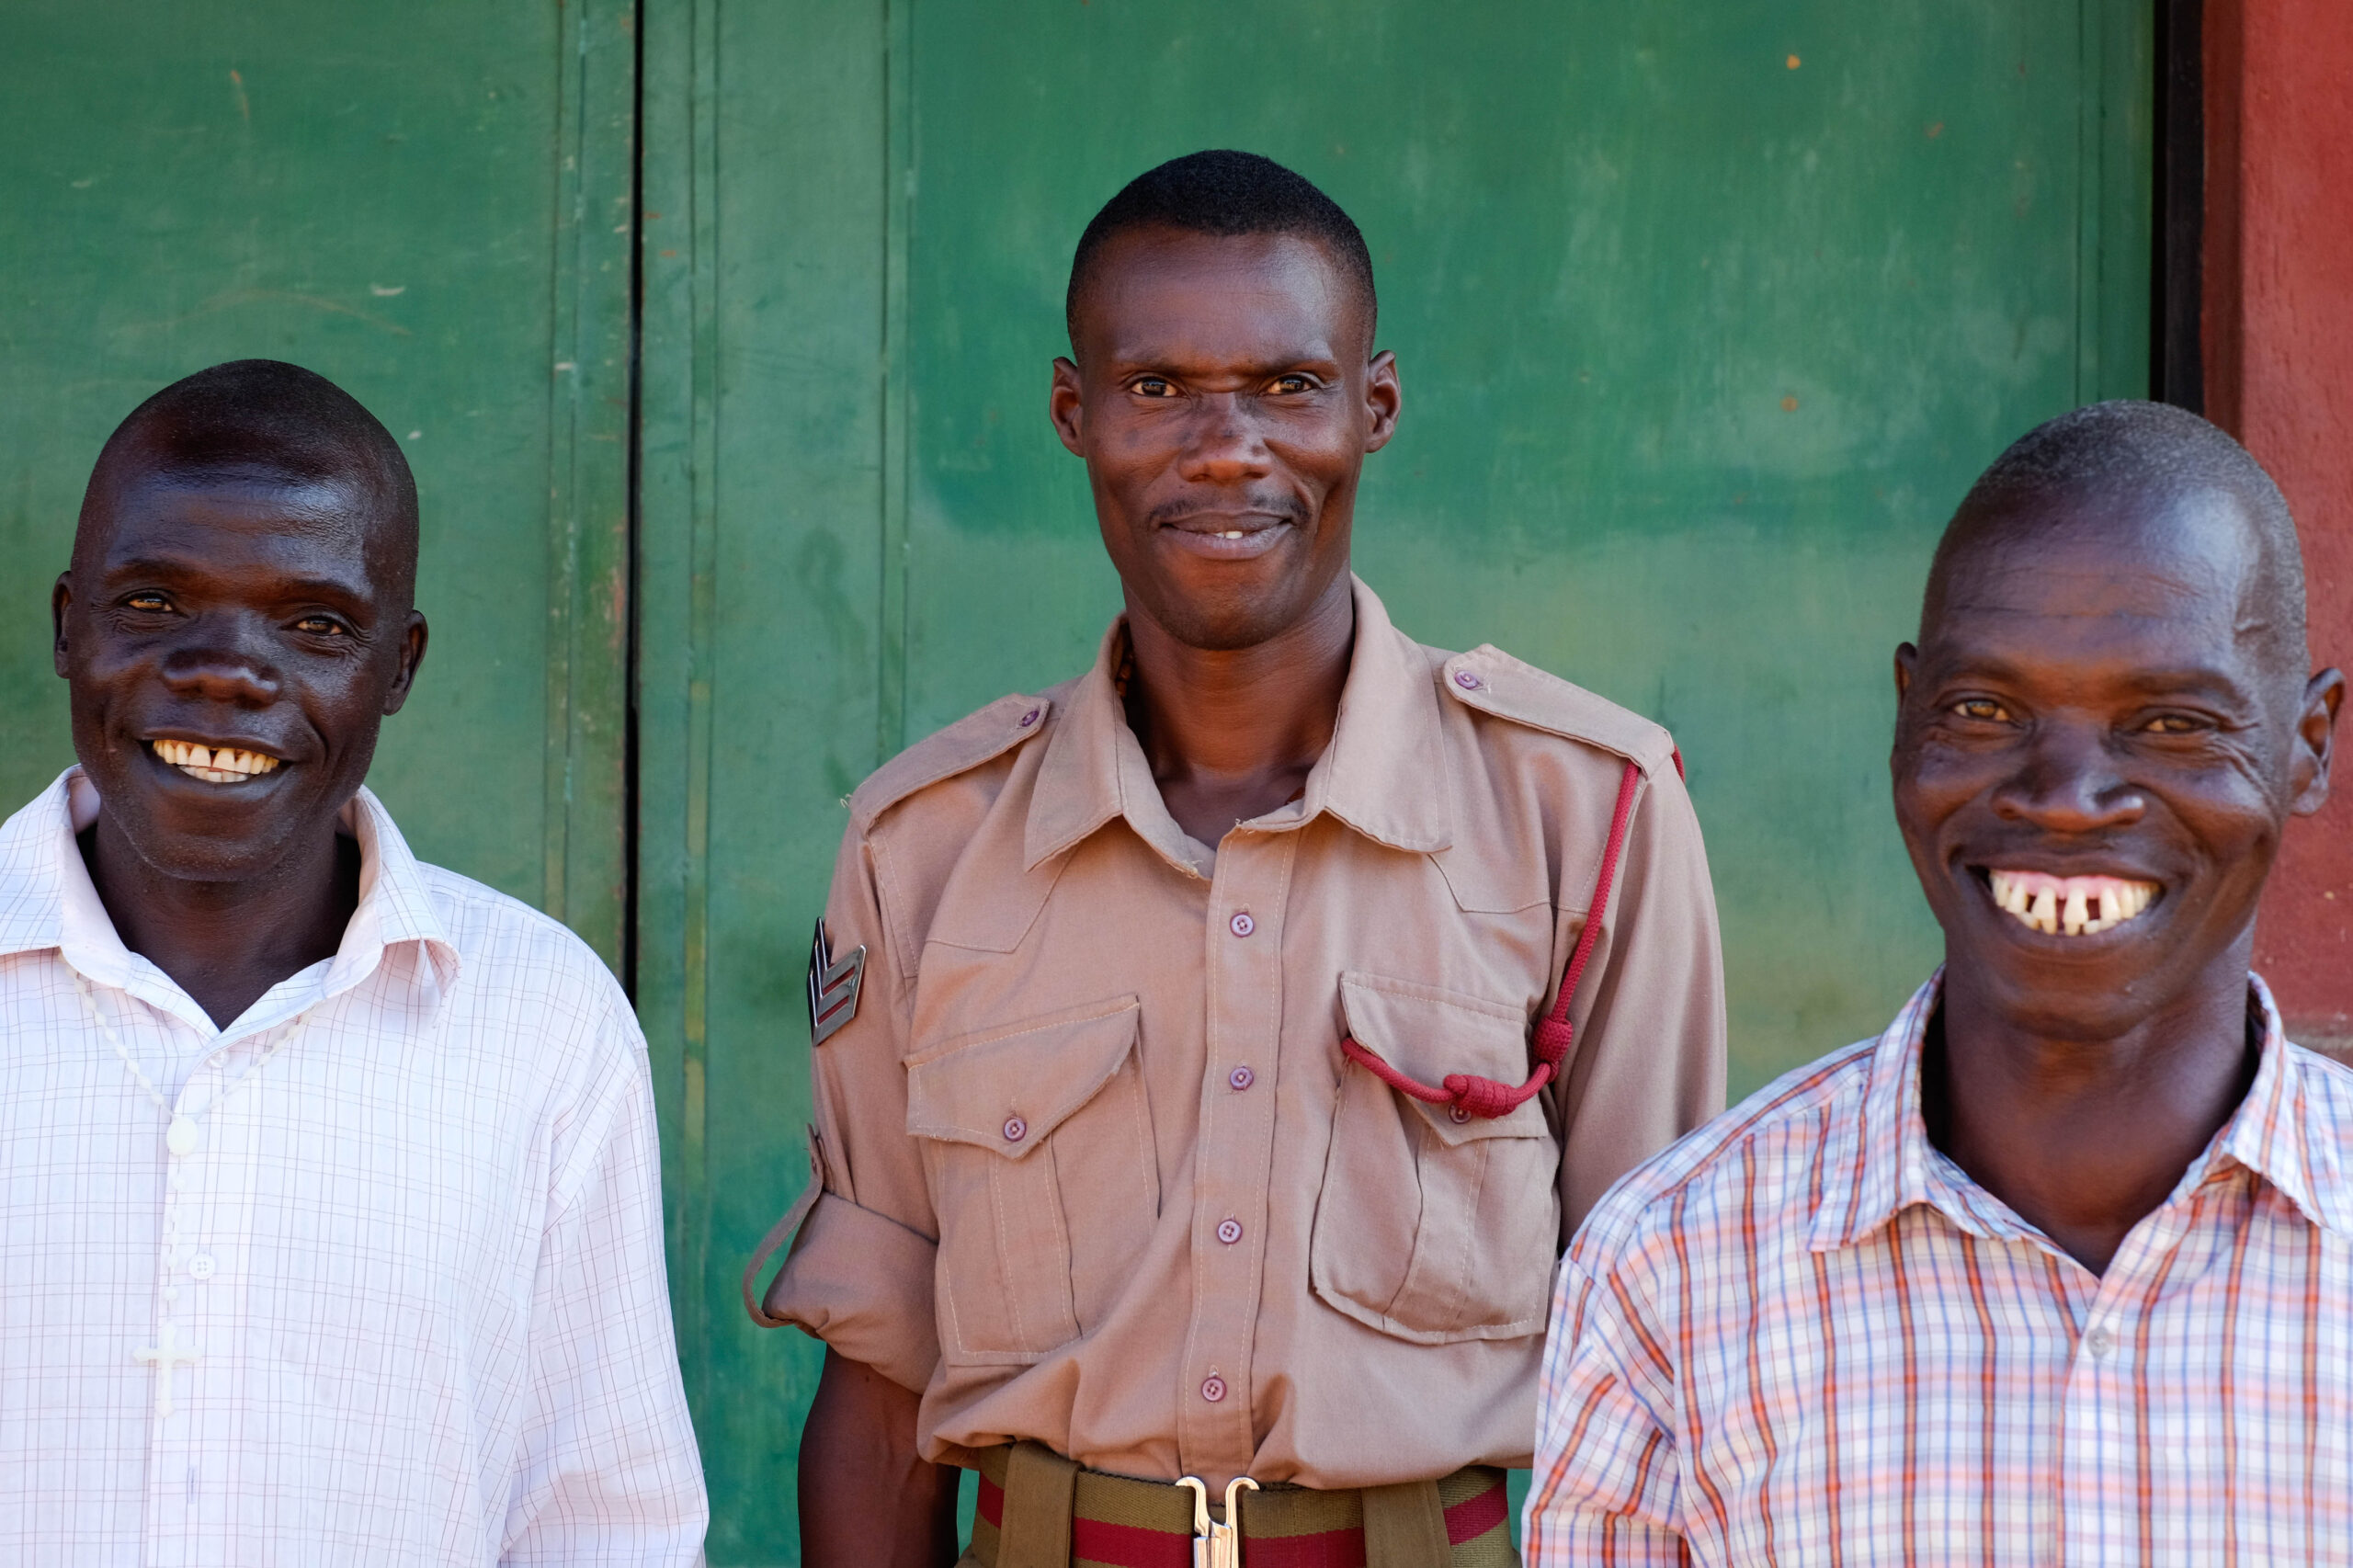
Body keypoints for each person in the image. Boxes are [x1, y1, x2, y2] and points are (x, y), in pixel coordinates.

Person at [748, 150, 1725, 1567]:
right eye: (1158, 389)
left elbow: (1666, 1361)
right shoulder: (929, 847)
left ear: (1372, 408)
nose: (1224, 447)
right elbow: (883, 1376)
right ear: (1075, 415)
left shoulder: (1582, 811)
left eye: (1286, 386)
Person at [1524, 400, 2352, 1564]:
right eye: (1984, 710)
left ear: (2308, 742)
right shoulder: (1672, 1266)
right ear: (1905, 714)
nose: (2065, 795)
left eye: (2169, 722)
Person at [2, 360, 707, 1563]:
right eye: (157, 605)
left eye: (315, 623)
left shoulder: (542, 1022)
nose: (226, 670)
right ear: (69, 625)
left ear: (399, 664)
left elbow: (600, 1521)